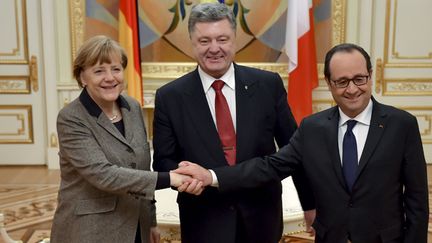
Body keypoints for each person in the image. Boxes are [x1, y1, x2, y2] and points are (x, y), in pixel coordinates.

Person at [176, 43, 429, 243]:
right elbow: (269, 167)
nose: (352, 89)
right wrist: (211, 176)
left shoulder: (401, 125)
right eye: (342, 82)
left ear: (370, 76)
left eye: (359, 79)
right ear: (329, 83)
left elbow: (417, 201)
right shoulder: (312, 128)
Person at [152, 2, 314, 243]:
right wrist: (186, 180)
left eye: (222, 39)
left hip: (262, 219)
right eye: (204, 41)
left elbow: (294, 151)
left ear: (234, 40)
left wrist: (310, 204)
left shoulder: (268, 85)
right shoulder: (170, 96)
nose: (214, 48)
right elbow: (164, 161)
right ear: (192, 44)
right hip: (203, 221)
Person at [50, 35, 192, 243]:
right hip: (90, 230)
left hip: (136, 225)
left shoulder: (132, 107)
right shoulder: (71, 118)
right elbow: (104, 175)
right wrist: (170, 178)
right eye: (99, 71)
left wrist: (151, 221)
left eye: (116, 69)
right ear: (82, 77)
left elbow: (141, 168)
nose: (110, 77)